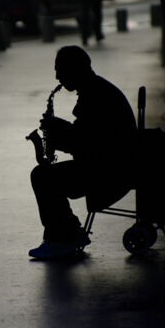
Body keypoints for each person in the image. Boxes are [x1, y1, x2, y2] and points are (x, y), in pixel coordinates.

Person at [29, 45, 137, 259]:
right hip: (110, 164)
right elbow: (89, 139)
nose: (57, 77)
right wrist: (61, 130)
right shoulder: (97, 89)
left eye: (60, 70)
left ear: (74, 69)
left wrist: (58, 130)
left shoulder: (95, 96)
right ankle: (67, 232)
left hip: (109, 171)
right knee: (45, 176)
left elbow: (87, 144)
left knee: (42, 176)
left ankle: (62, 238)